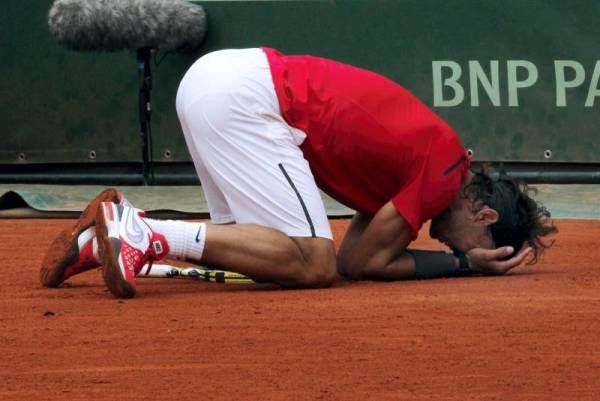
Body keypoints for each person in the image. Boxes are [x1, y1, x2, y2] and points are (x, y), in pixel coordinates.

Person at [40, 48, 556, 298]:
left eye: (459, 255)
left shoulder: (421, 169)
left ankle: (99, 244)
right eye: (468, 244)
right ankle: (142, 231)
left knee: (259, 256)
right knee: (311, 262)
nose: (454, 248)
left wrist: (463, 261)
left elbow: (358, 259)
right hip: (250, 99)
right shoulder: (444, 171)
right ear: (483, 213)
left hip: (214, 84)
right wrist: (466, 269)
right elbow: (362, 263)